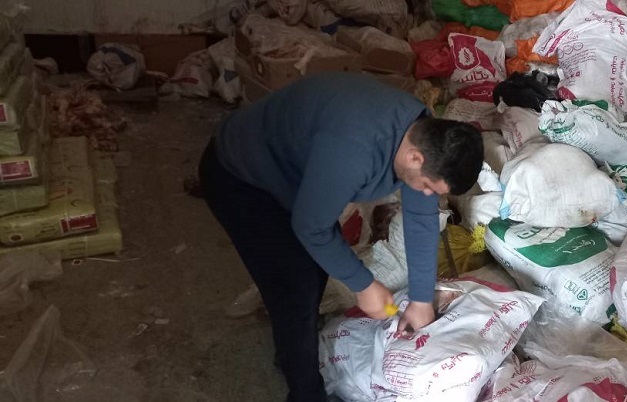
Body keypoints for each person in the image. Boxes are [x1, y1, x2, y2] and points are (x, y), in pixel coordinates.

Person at [198, 72, 484, 401]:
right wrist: (364, 285)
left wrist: (421, 299)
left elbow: (421, 219)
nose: (426, 193)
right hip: (240, 176)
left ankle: (293, 349)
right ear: (415, 157)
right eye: (428, 187)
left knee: (315, 272)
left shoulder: (423, 136)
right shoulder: (355, 148)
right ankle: (305, 391)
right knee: (294, 286)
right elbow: (311, 227)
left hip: (291, 176)